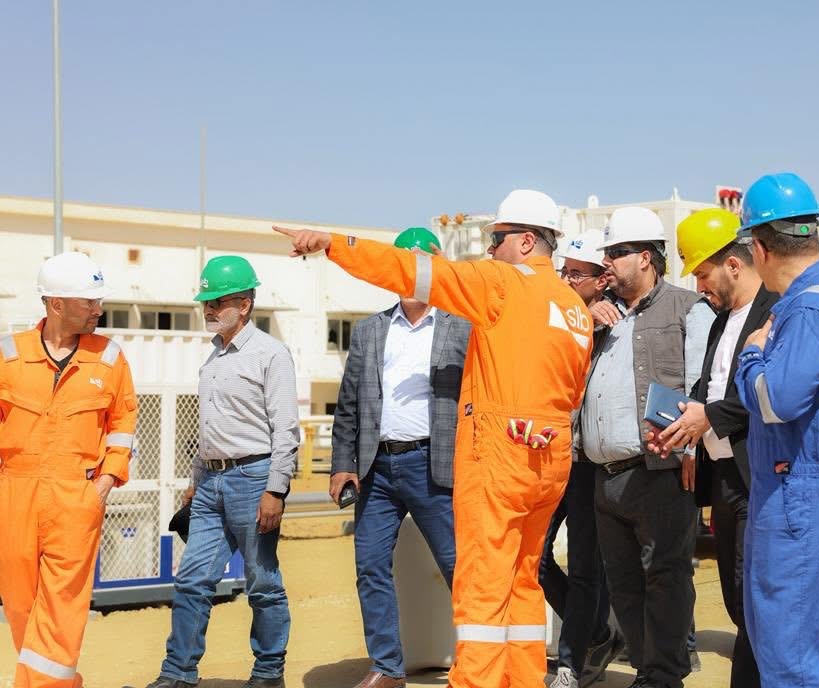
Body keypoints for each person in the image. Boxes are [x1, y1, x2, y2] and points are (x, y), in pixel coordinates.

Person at [274, 188, 593, 688]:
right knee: (521, 579)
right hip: (548, 459)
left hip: (500, 457)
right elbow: (572, 392)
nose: (490, 250)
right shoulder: (574, 308)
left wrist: (333, 243)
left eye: (497, 239)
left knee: (482, 582)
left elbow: (411, 271)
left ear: (527, 241)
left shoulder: (502, 283)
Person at [733, 172, 819, 687]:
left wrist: (751, 357)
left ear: (760, 247)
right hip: (801, 490)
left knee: (790, 660)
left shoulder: (810, 307)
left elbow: (778, 400)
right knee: (786, 652)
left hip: (803, 493)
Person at [143, 256, 299, 688]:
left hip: (255, 479)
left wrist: (276, 490)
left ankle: (268, 673)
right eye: (206, 303)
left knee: (262, 582)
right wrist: (196, 481)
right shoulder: (212, 358)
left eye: (217, 302)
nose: (209, 309)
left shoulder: (271, 354)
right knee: (192, 580)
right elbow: (208, 427)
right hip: (211, 484)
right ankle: (178, 673)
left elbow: (286, 429)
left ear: (244, 304)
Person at [329, 227, 471, 688]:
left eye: (419, 266)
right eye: (403, 266)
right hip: (378, 471)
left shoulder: (463, 327)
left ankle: (478, 663)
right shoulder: (370, 330)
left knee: (458, 567)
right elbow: (349, 402)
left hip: (436, 467)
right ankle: (387, 668)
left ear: (436, 268)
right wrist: (342, 464)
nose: (410, 276)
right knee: (370, 566)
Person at [579, 206, 713, 688]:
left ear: (646, 257)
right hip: (605, 475)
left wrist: (692, 452)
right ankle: (647, 669)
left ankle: (664, 676)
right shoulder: (600, 315)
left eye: (617, 252)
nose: (607, 262)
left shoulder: (688, 308)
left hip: (659, 472)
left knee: (665, 578)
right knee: (624, 585)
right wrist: (584, 322)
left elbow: (703, 386)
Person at [650, 208, 777, 688]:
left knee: (752, 598)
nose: (700, 286)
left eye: (703, 274)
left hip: (758, 475)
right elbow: (712, 388)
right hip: (724, 476)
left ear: (734, 265)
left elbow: (770, 391)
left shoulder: (775, 313)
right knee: (734, 596)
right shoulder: (723, 321)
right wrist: (680, 421)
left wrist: (710, 416)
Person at [0, 252, 136, 688]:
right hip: (14, 492)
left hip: (76, 496)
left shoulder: (109, 358)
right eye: (89, 301)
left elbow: (123, 422)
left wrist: (106, 481)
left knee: (63, 605)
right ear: (56, 303)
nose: (98, 309)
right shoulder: (8, 354)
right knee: (19, 602)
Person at [540, 229, 622, 688]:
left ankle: (571, 662)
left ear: (601, 280)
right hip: (552, 457)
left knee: (587, 567)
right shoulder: (556, 316)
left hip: (590, 463)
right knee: (535, 560)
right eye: (564, 272)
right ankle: (596, 633)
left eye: (577, 274)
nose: (567, 281)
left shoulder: (615, 322)